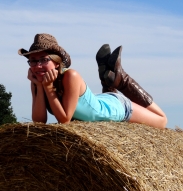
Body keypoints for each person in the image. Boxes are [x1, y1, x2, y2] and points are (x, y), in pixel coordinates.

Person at [18, 33, 167, 129]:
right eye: (33, 61)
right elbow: (39, 122)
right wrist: (38, 86)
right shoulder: (38, 81)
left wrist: (49, 88)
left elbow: (64, 120)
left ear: (57, 62)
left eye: (44, 60)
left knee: (162, 121)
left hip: (114, 108)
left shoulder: (71, 76)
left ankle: (122, 80)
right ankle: (108, 82)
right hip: (97, 100)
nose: (37, 66)